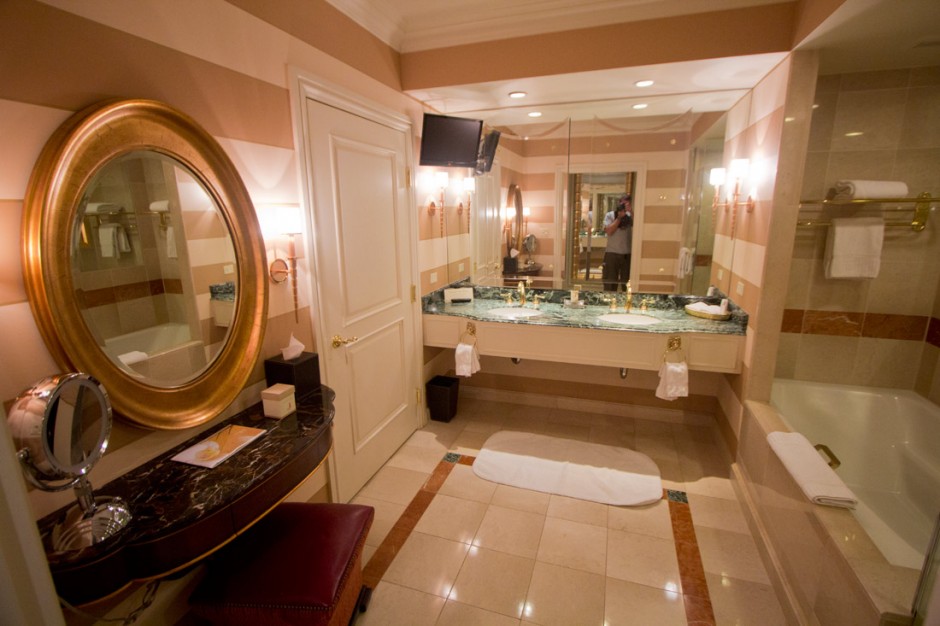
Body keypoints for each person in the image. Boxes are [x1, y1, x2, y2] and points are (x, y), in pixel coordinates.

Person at [602, 194, 633, 291]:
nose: (624, 206)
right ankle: (608, 302)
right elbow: (609, 231)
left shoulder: (632, 215)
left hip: (627, 254)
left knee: (627, 285)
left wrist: (631, 212)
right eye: (622, 204)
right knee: (610, 283)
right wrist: (619, 218)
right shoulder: (610, 215)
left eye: (626, 204)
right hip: (612, 253)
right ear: (619, 204)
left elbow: (639, 229)